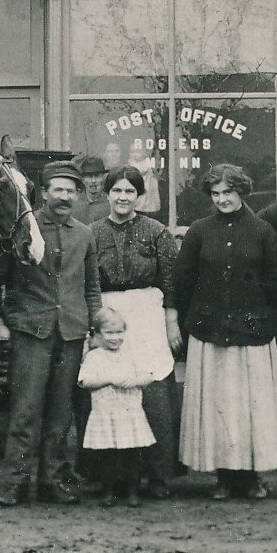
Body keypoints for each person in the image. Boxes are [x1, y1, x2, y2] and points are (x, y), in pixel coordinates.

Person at [0, 159, 101, 507]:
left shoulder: (85, 234)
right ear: (43, 193)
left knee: (62, 413)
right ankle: (14, 483)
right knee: (26, 410)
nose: (63, 196)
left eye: (70, 190)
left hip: (72, 332)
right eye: (57, 189)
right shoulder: (22, 229)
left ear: (78, 195)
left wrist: (93, 325)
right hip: (31, 330)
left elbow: (91, 287)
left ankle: (53, 480)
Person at [174, 163, 277, 500]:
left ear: (241, 192)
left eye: (228, 192)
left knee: (250, 407)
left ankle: (252, 476)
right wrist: (191, 319)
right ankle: (223, 477)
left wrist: (267, 320)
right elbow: (183, 281)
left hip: (251, 334)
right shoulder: (199, 231)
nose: (222, 199)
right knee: (218, 406)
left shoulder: (262, 231)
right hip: (210, 333)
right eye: (216, 194)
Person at [87, 164, 183, 498]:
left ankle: (158, 474)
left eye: (130, 191)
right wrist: (94, 325)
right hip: (108, 315)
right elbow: (88, 283)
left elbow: (171, 281)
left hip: (147, 316)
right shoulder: (93, 232)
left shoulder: (156, 232)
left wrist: (171, 322)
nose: (123, 197)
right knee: (111, 392)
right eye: (117, 190)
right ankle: (109, 476)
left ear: (139, 195)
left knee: (152, 390)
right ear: (107, 194)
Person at [78, 308, 157, 508]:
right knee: (108, 457)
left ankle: (132, 491)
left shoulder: (132, 354)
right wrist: (108, 379)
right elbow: (85, 381)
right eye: (110, 333)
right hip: (106, 413)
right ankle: (108, 492)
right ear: (97, 334)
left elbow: (149, 375)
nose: (115, 338)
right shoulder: (94, 357)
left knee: (132, 455)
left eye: (119, 332)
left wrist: (135, 380)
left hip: (129, 414)